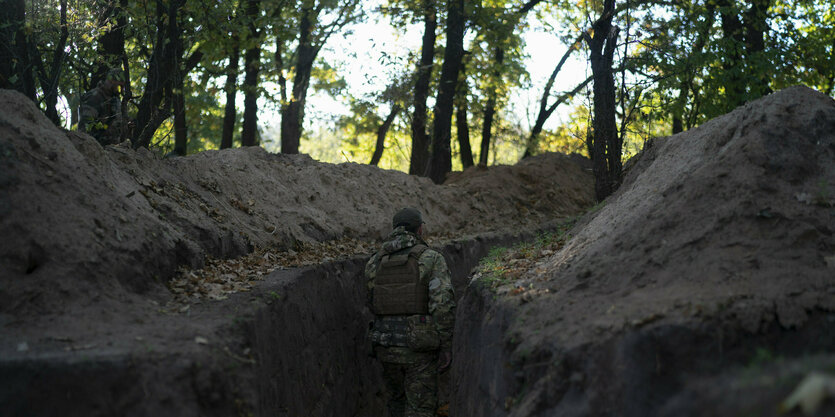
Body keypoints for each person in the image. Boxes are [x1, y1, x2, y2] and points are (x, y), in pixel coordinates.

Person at [365, 207, 455, 417]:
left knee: (395, 404)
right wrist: (447, 345)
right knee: (420, 409)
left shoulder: (374, 262)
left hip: (386, 346)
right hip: (419, 350)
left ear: (395, 229)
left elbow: (372, 301)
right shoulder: (431, 258)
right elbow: (442, 304)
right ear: (420, 229)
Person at [78, 68, 129, 145]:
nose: (120, 90)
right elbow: (85, 129)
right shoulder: (94, 97)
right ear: (111, 80)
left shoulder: (115, 100)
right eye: (119, 85)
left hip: (112, 150)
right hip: (94, 147)